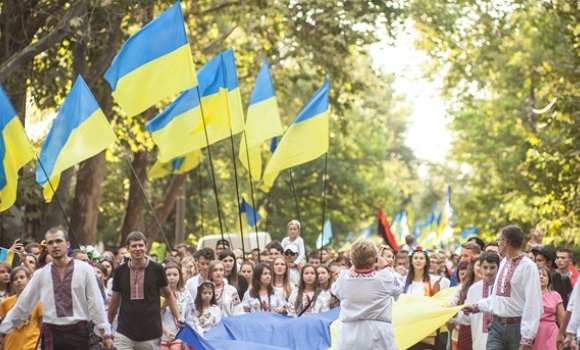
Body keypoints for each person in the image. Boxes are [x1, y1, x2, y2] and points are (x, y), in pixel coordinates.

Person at [0, 227, 113, 350]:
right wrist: (4, 330)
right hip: (52, 334)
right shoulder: (40, 274)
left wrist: (105, 332)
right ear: (46, 247)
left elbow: (95, 303)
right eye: (50, 242)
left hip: (79, 333)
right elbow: (23, 306)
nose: (55, 245)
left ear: (67, 244)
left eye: (59, 241)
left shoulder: (85, 270)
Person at [462, 225, 543, 350]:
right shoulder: (503, 262)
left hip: (516, 328)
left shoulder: (528, 267)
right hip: (496, 326)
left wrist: (527, 337)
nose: (498, 242)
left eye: (500, 239)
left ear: (506, 242)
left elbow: (533, 304)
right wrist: (475, 307)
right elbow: (497, 297)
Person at [108, 231, 184, 350]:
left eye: (140, 245)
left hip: (150, 333)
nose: (138, 249)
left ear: (146, 247)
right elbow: (114, 301)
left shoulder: (157, 269)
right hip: (125, 332)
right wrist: (108, 327)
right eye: (134, 246)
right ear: (128, 248)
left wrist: (178, 317)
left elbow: (169, 294)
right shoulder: (120, 271)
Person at [332, 238, 401, 349]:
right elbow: (398, 287)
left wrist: (355, 264)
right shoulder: (384, 278)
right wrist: (385, 266)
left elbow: (336, 291)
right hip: (378, 335)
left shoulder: (343, 278)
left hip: (350, 335)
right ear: (375, 257)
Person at [458, 251, 500, 350]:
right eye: (485, 267)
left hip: (501, 339)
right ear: (480, 267)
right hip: (479, 339)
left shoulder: (503, 288)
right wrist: (461, 313)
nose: (488, 271)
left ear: (498, 267)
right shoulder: (474, 289)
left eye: (492, 267)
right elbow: (467, 320)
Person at [0, 267, 42, 350]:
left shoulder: (38, 301)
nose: (19, 280)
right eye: (15, 279)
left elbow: (42, 326)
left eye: (22, 277)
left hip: (31, 346)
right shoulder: (6, 303)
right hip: (11, 346)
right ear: (12, 284)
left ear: (29, 279)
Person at [161, 262, 196, 350]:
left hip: (180, 338)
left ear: (179, 276)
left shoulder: (185, 293)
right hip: (161, 338)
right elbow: (151, 315)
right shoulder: (158, 294)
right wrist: (163, 305)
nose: (172, 278)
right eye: (168, 275)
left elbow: (190, 315)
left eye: (175, 274)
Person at [533, 266, 564, 350]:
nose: (541, 277)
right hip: (534, 331)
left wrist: (563, 335)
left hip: (551, 331)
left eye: (544, 275)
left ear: (549, 279)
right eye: (538, 274)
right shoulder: (529, 295)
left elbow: (562, 320)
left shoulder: (555, 296)